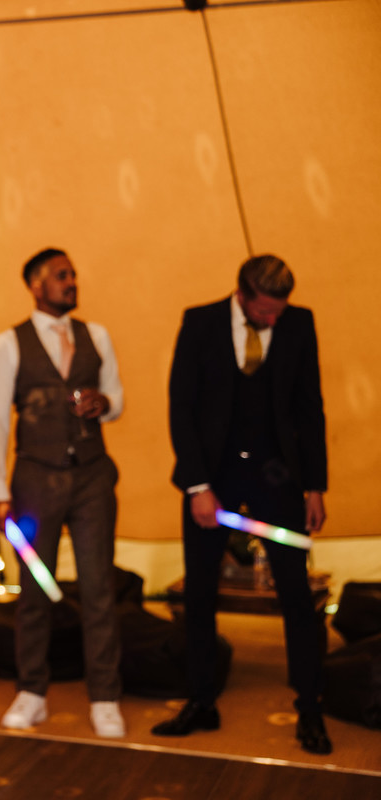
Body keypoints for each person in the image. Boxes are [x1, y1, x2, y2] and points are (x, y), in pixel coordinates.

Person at [153, 254, 331, 754]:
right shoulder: (200, 322)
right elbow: (181, 407)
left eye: (280, 311)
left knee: (296, 593)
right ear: (242, 294)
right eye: (266, 310)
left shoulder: (300, 323)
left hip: (280, 478)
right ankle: (201, 701)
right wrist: (197, 487)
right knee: (200, 593)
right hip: (213, 478)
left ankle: (310, 708)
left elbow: (310, 408)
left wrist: (315, 487)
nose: (274, 319)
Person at [0, 248, 126, 738]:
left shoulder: (96, 335)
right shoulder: (9, 344)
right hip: (35, 481)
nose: (72, 282)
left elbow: (117, 398)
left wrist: (104, 402)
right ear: (37, 285)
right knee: (34, 589)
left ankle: (105, 696)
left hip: (92, 478)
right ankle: (32, 691)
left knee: (99, 587)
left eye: (73, 274)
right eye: (62, 275)